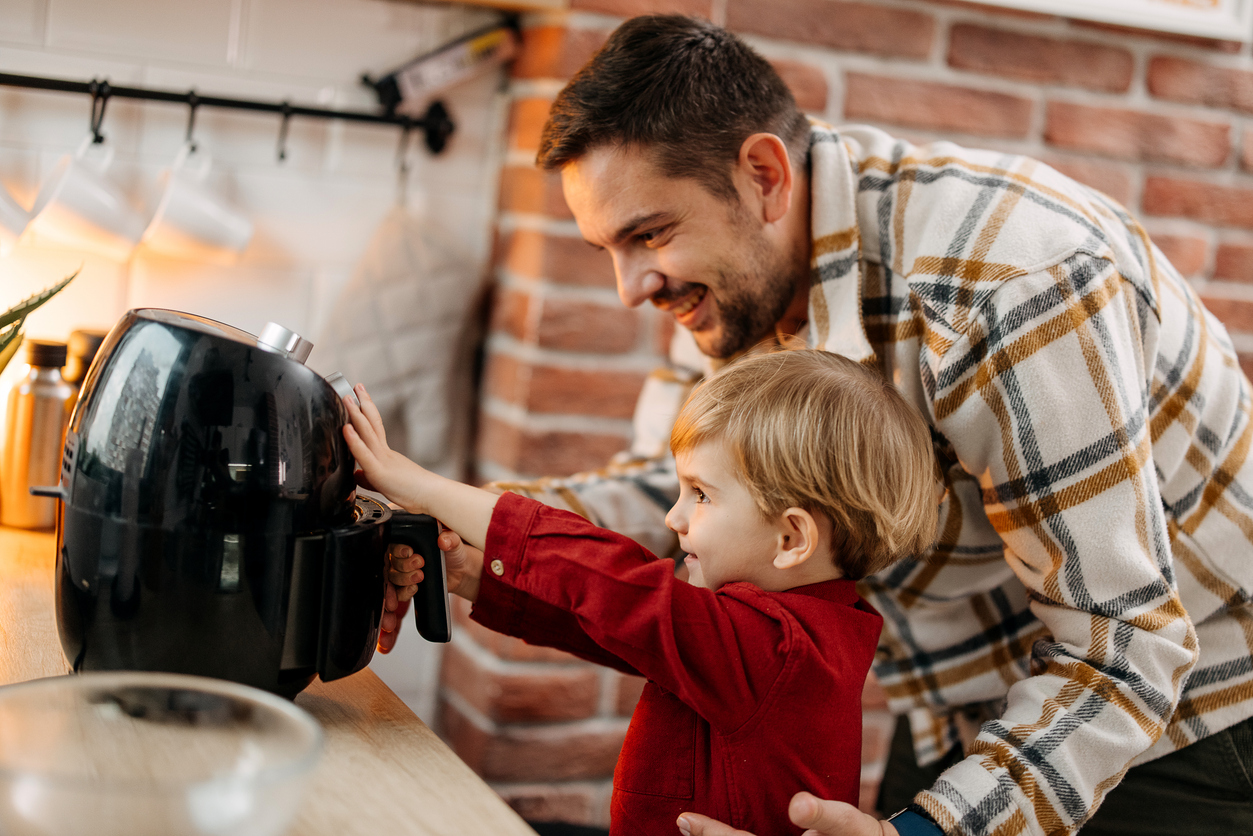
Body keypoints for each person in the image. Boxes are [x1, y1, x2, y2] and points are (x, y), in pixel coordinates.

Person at [381, 14, 1253, 836]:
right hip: (967, 684)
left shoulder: (1004, 289)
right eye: (607, 248)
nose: (629, 287)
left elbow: (1124, 644)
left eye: (649, 234)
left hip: (1183, 714)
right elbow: (668, 496)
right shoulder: (738, 285)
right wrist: (446, 532)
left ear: (764, 175)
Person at [347, 348, 939, 835]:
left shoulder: (779, 650)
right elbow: (615, 626)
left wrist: (421, 486)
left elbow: (621, 590)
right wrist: (469, 573)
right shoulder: (785, 631)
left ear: (791, 536)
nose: (675, 519)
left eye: (701, 494)